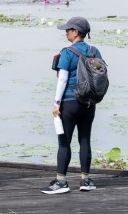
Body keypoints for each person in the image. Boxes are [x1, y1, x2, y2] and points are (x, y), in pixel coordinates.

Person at [42, 16, 102, 194]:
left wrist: (56, 103)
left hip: (69, 102)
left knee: (64, 142)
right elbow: (100, 72)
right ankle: (86, 180)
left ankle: (61, 182)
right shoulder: (94, 50)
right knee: (85, 140)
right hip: (89, 103)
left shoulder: (67, 52)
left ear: (76, 32)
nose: (66, 33)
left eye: (68, 30)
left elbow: (62, 80)